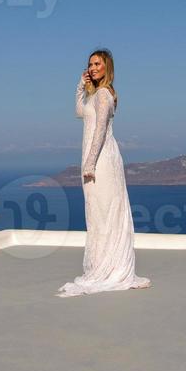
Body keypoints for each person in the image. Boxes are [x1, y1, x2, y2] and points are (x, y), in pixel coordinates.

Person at [56, 49, 152, 297]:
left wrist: (89, 163)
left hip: (102, 162)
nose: (92, 67)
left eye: (97, 63)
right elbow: (80, 111)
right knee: (97, 214)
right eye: (90, 64)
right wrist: (80, 85)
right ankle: (102, 267)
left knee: (107, 213)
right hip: (92, 160)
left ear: (107, 67)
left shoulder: (104, 95)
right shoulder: (94, 94)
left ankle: (114, 269)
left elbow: (100, 131)